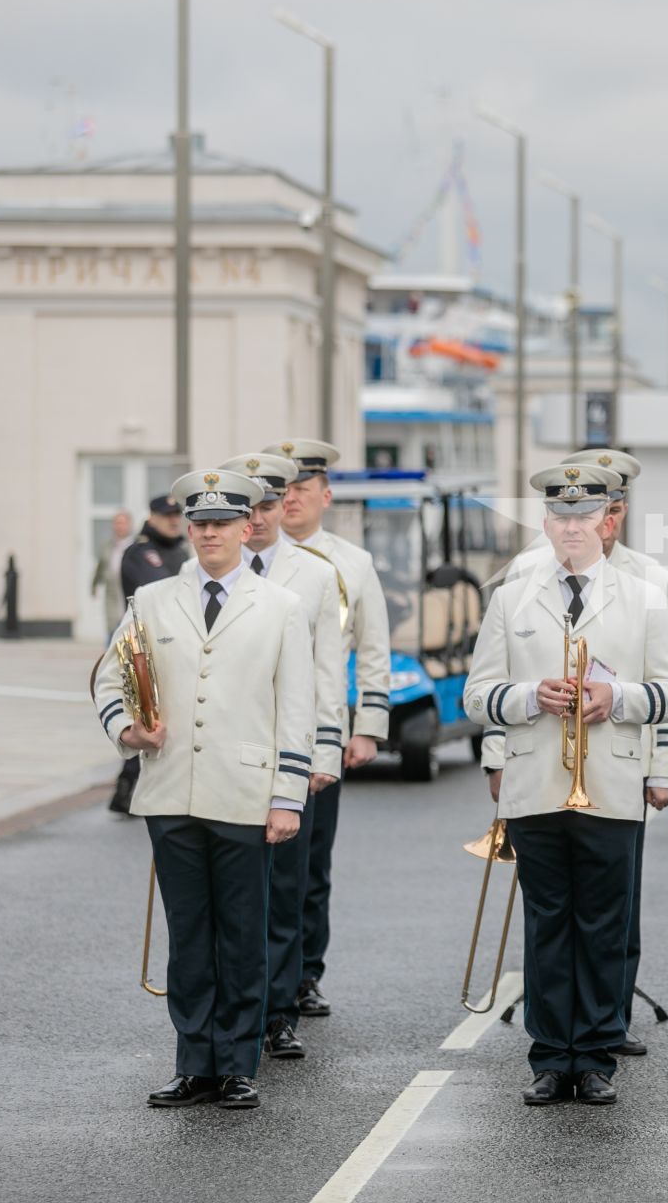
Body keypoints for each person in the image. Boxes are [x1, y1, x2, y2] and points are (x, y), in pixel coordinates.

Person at [91, 469, 314, 1110]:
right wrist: (127, 730)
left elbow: (294, 706)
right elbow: (109, 681)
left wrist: (287, 795)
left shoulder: (281, 607)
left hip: (246, 791)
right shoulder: (153, 600)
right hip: (169, 794)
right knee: (189, 935)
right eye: (200, 524)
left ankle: (239, 1062)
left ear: (248, 527)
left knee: (242, 933)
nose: (210, 534)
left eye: (222, 524)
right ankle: (195, 1063)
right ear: (188, 530)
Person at [465, 461, 668, 1107]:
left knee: (603, 925)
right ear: (545, 522)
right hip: (536, 783)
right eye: (559, 517)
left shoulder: (643, 596)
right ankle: (549, 1056)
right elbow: (478, 696)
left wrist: (614, 697)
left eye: (582, 516)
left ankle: (594, 1056)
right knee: (547, 925)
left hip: (610, 784)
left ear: (606, 521)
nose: (570, 527)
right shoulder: (512, 596)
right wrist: (532, 694)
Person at [220, 453, 349, 1063]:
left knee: (287, 889)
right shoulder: (204, 572)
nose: (262, 517)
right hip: (223, 758)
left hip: (289, 755)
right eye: (250, 508)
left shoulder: (317, 575)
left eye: (271, 505)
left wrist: (325, 752)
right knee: (229, 894)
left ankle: (277, 1013)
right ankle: (228, 1013)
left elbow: (328, 675)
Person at [274, 438, 392, 1018]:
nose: (291, 499)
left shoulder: (352, 562)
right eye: (282, 489)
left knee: (311, 865)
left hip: (322, 725)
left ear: (325, 495)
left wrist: (367, 727)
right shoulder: (250, 556)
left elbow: (372, 650)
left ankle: (304, 975)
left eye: (302, 488)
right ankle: (267, 979)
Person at [109, 494, 191, 815]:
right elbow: (159, 591)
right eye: (166, 515)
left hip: (179, 647)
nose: (173, 520)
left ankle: (126, 790)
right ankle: (126, 790)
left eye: (177, 515)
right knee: (148, 720)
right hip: (145, 650)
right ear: (152, 517)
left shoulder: (181, 551)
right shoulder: (141, 551)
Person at [91, 509, 133, 639]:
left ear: (129, 525)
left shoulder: (136, 547)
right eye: (117, 523)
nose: (119, 526)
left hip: (131, 597)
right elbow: (100, 568)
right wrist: (94, 586)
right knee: (112, 634)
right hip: (112, 597)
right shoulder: (107, 547)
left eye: (122, 523)